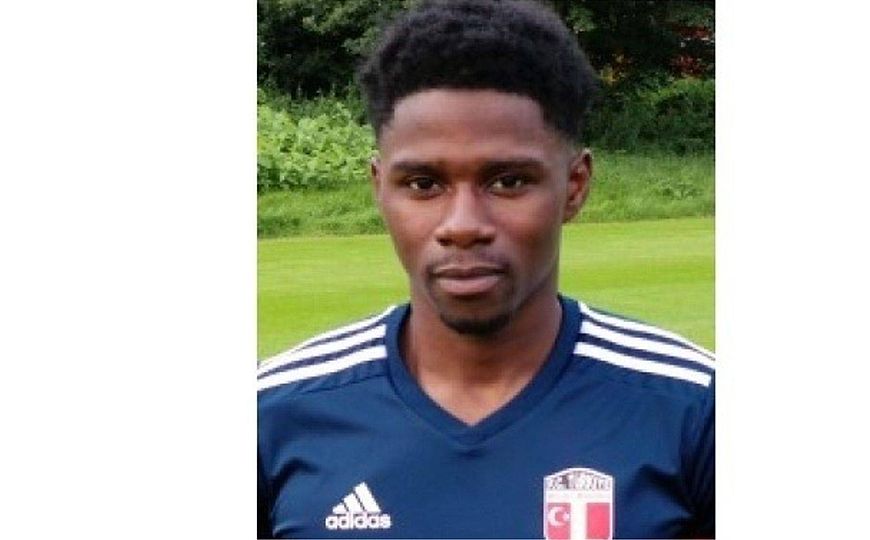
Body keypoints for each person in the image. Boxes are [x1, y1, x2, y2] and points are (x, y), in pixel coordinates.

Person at [257, 1, 715, 538]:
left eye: (508, 181)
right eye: (424, 184)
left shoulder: (695, 409)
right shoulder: (275, 411)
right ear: (380, 189)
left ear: (574, 186)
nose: (463, 225)